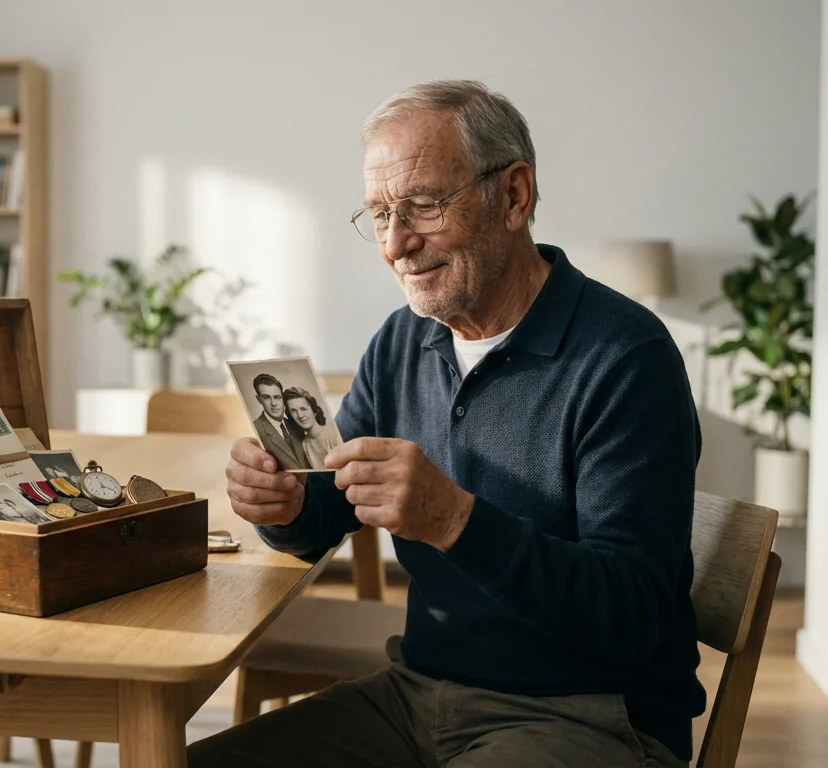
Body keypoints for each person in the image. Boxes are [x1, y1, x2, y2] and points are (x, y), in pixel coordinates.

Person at [195, 80, 703, 768]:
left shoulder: (625, 358)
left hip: (590, 717)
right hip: (417, 695)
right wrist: (284, 505)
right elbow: (327, 508)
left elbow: (633, 617)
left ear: (514, 197)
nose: (397, 244)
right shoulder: (404, 340)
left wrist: (456, 520)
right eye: (379, 214)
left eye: (424, 206)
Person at [249, 373, 310, 471]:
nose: (274, 403)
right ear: (259, 399)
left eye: (277, 397)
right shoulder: (256, 429)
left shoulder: (296, 425)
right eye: (267, 397)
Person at [283, 387, 340, 470]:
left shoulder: (332, 433)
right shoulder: (306, 444)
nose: (300, 415)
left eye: (303, 409)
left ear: (314, 411)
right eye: (293, 411)